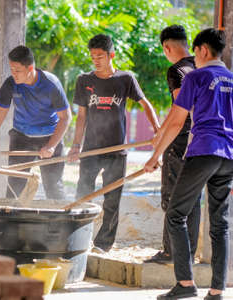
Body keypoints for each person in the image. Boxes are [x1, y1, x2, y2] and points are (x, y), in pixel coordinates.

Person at [145, 28, 233, 300]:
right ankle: (217, 290)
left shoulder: (195, 77)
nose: (195, 58)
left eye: (197, 53)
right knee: (220, 225)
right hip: (228, 158)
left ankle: (185, 282)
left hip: (202, 151)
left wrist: (155, 156)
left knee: (176, 214)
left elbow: (178, 121)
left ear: (203, 50)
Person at [68, 34, 160, 253]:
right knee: (82, 195)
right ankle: (78, 238)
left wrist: (158, 130)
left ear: (111, 55)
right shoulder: (84, 80)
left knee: (112, 200)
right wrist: (75, 146)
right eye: (92, 56)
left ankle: (103, 244)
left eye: (100, 56)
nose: (96, 60)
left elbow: (145, 103)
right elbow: (81, 117)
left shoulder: (125, 79)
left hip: (117, 151)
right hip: (90, 150)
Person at [0, 45, 71, 200]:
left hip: (50, 137)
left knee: (53, 187)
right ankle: (10, 221)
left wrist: (51, 146)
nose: (13, 74)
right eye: (11, 69)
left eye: (17, 70)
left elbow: (65, 117)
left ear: (30, 68)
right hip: (21, 137)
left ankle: (59, 223)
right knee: (14, 188)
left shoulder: (51, 84)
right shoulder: (10, 84)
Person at [145, 25, 201, 264]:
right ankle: (187, 253)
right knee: (194, 197)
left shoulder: (176, 70)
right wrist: (160, 131)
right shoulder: (201, 67)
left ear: (167, 47)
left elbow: (181, 109)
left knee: (172, 196)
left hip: (180, 142)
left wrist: (159, 145)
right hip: (201, 140)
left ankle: (170, 253)